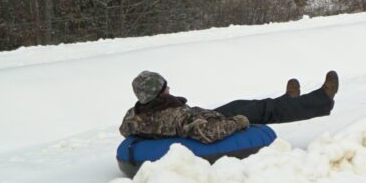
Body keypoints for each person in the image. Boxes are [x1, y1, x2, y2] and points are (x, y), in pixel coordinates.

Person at [120, 69, 339, 142]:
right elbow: (209, 133)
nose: (169, 89)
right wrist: (238, 121)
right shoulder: (172, 117)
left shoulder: (136, 116)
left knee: (240, 103)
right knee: (258, 110)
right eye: (165, 87)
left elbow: (126, 128)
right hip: (212, 121)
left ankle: (289, 101)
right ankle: (323, 100)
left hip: (203, 115)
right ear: (159, 92)